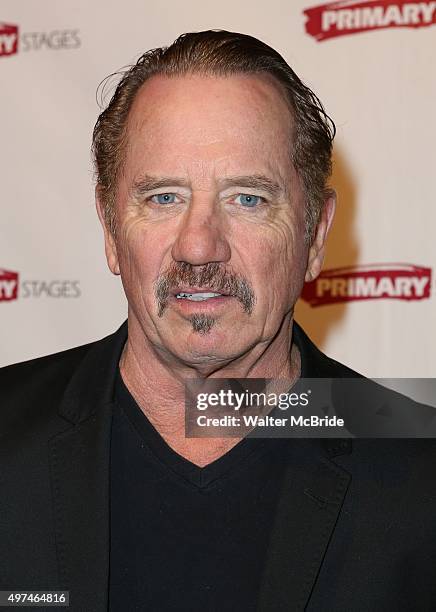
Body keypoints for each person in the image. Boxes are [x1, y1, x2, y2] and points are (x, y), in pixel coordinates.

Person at [1, 30, 436, 612]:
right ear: (109, 227)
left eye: (247, 199)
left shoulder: (421, 473)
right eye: (163, 197)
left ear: (316, 234)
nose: (199, 247)